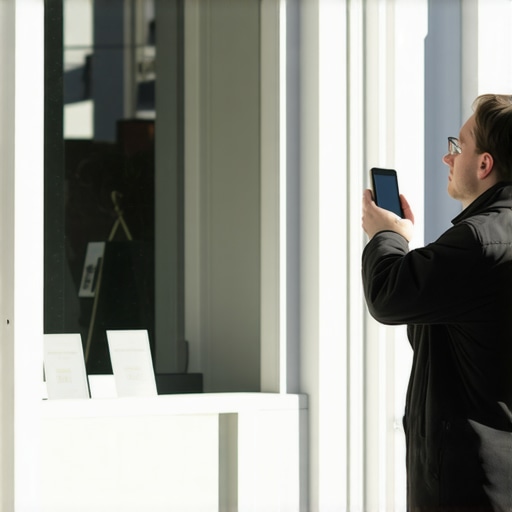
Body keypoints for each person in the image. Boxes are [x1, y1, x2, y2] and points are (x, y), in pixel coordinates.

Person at [361, 94, 512, 512]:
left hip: (469, 485)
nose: (448, 159)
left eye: (458, 146)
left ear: (484, 164)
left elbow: (389, 297)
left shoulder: (479, 241)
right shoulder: (485, 242)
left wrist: (386, 236)